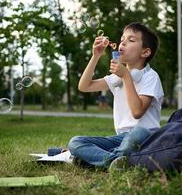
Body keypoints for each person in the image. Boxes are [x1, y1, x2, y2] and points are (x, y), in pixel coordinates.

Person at [68, 22, 164, 169]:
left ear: (145, 52)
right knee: (76, 142)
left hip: (146, 137)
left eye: (131, 40)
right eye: (122, 39)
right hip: (120, 139)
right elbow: (84, 86)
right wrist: (96, 56)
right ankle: (116, 161)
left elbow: (137, 112)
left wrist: (126, 77)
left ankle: (95, 159)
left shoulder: (150, 76)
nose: (123, 42)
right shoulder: (116, 78)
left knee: (136, 135)